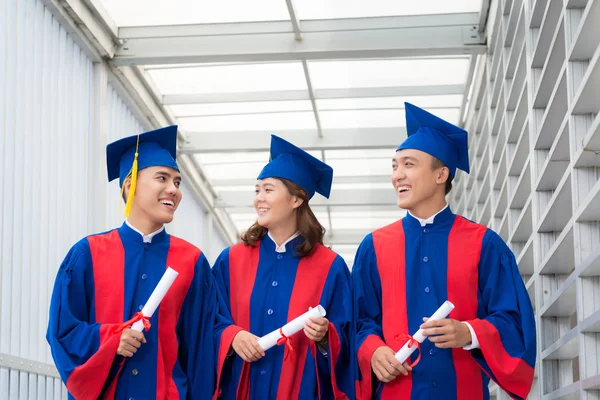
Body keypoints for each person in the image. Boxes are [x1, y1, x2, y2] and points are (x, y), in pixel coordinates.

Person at [353, 103, 536, 400]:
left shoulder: (484, 244)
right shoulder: (374, 247)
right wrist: (373, 350)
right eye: (394, 166)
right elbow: (360, 321)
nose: (397, 175)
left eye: (409, 164)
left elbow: (513, 320)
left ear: (441, 175)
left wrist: (470, 333)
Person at [46, 126, 222, 399]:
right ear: (130, 184)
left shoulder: (192, 262)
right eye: (162, 178)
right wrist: (110, 339)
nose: (172, 189)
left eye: (177, 182)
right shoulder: (88, 254)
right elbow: (63, 331)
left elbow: (200, 351)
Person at [212, 135, 354, 399]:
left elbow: (348, 338)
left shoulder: (330, 267)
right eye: (257, 190)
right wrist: (232, 335)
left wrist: (325, 336)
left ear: (296, 199)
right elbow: (207, 320)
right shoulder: (230, 261)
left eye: (268, 189)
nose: (258, 199)